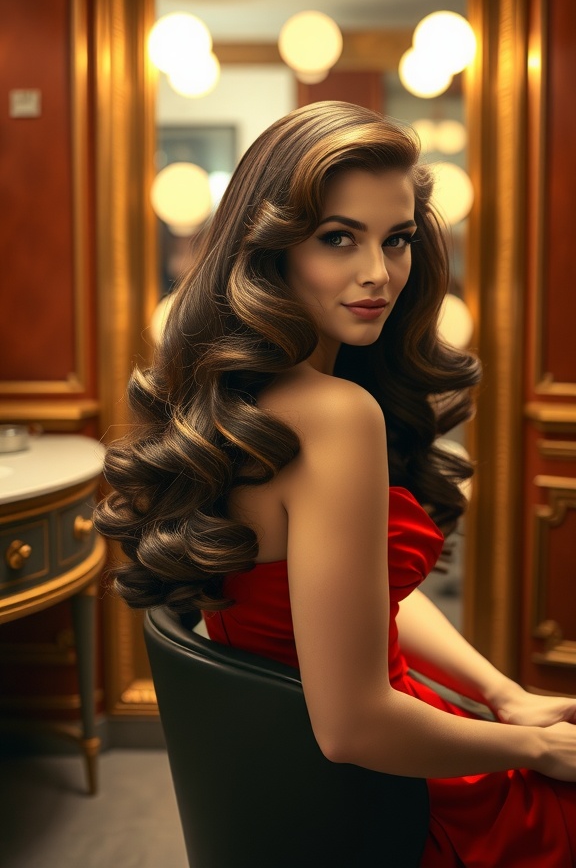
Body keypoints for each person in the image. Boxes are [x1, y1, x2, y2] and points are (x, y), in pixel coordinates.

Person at [95, 101, 576, 866]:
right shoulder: (335, 416)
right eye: (338, 239)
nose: (378, 274)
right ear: (270, 249)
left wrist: (501, 692)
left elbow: (362, 593)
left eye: (398, 240)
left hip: (324, 772)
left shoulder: (246, 399)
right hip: (387, 791)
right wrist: (532, 748)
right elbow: (352, 725)